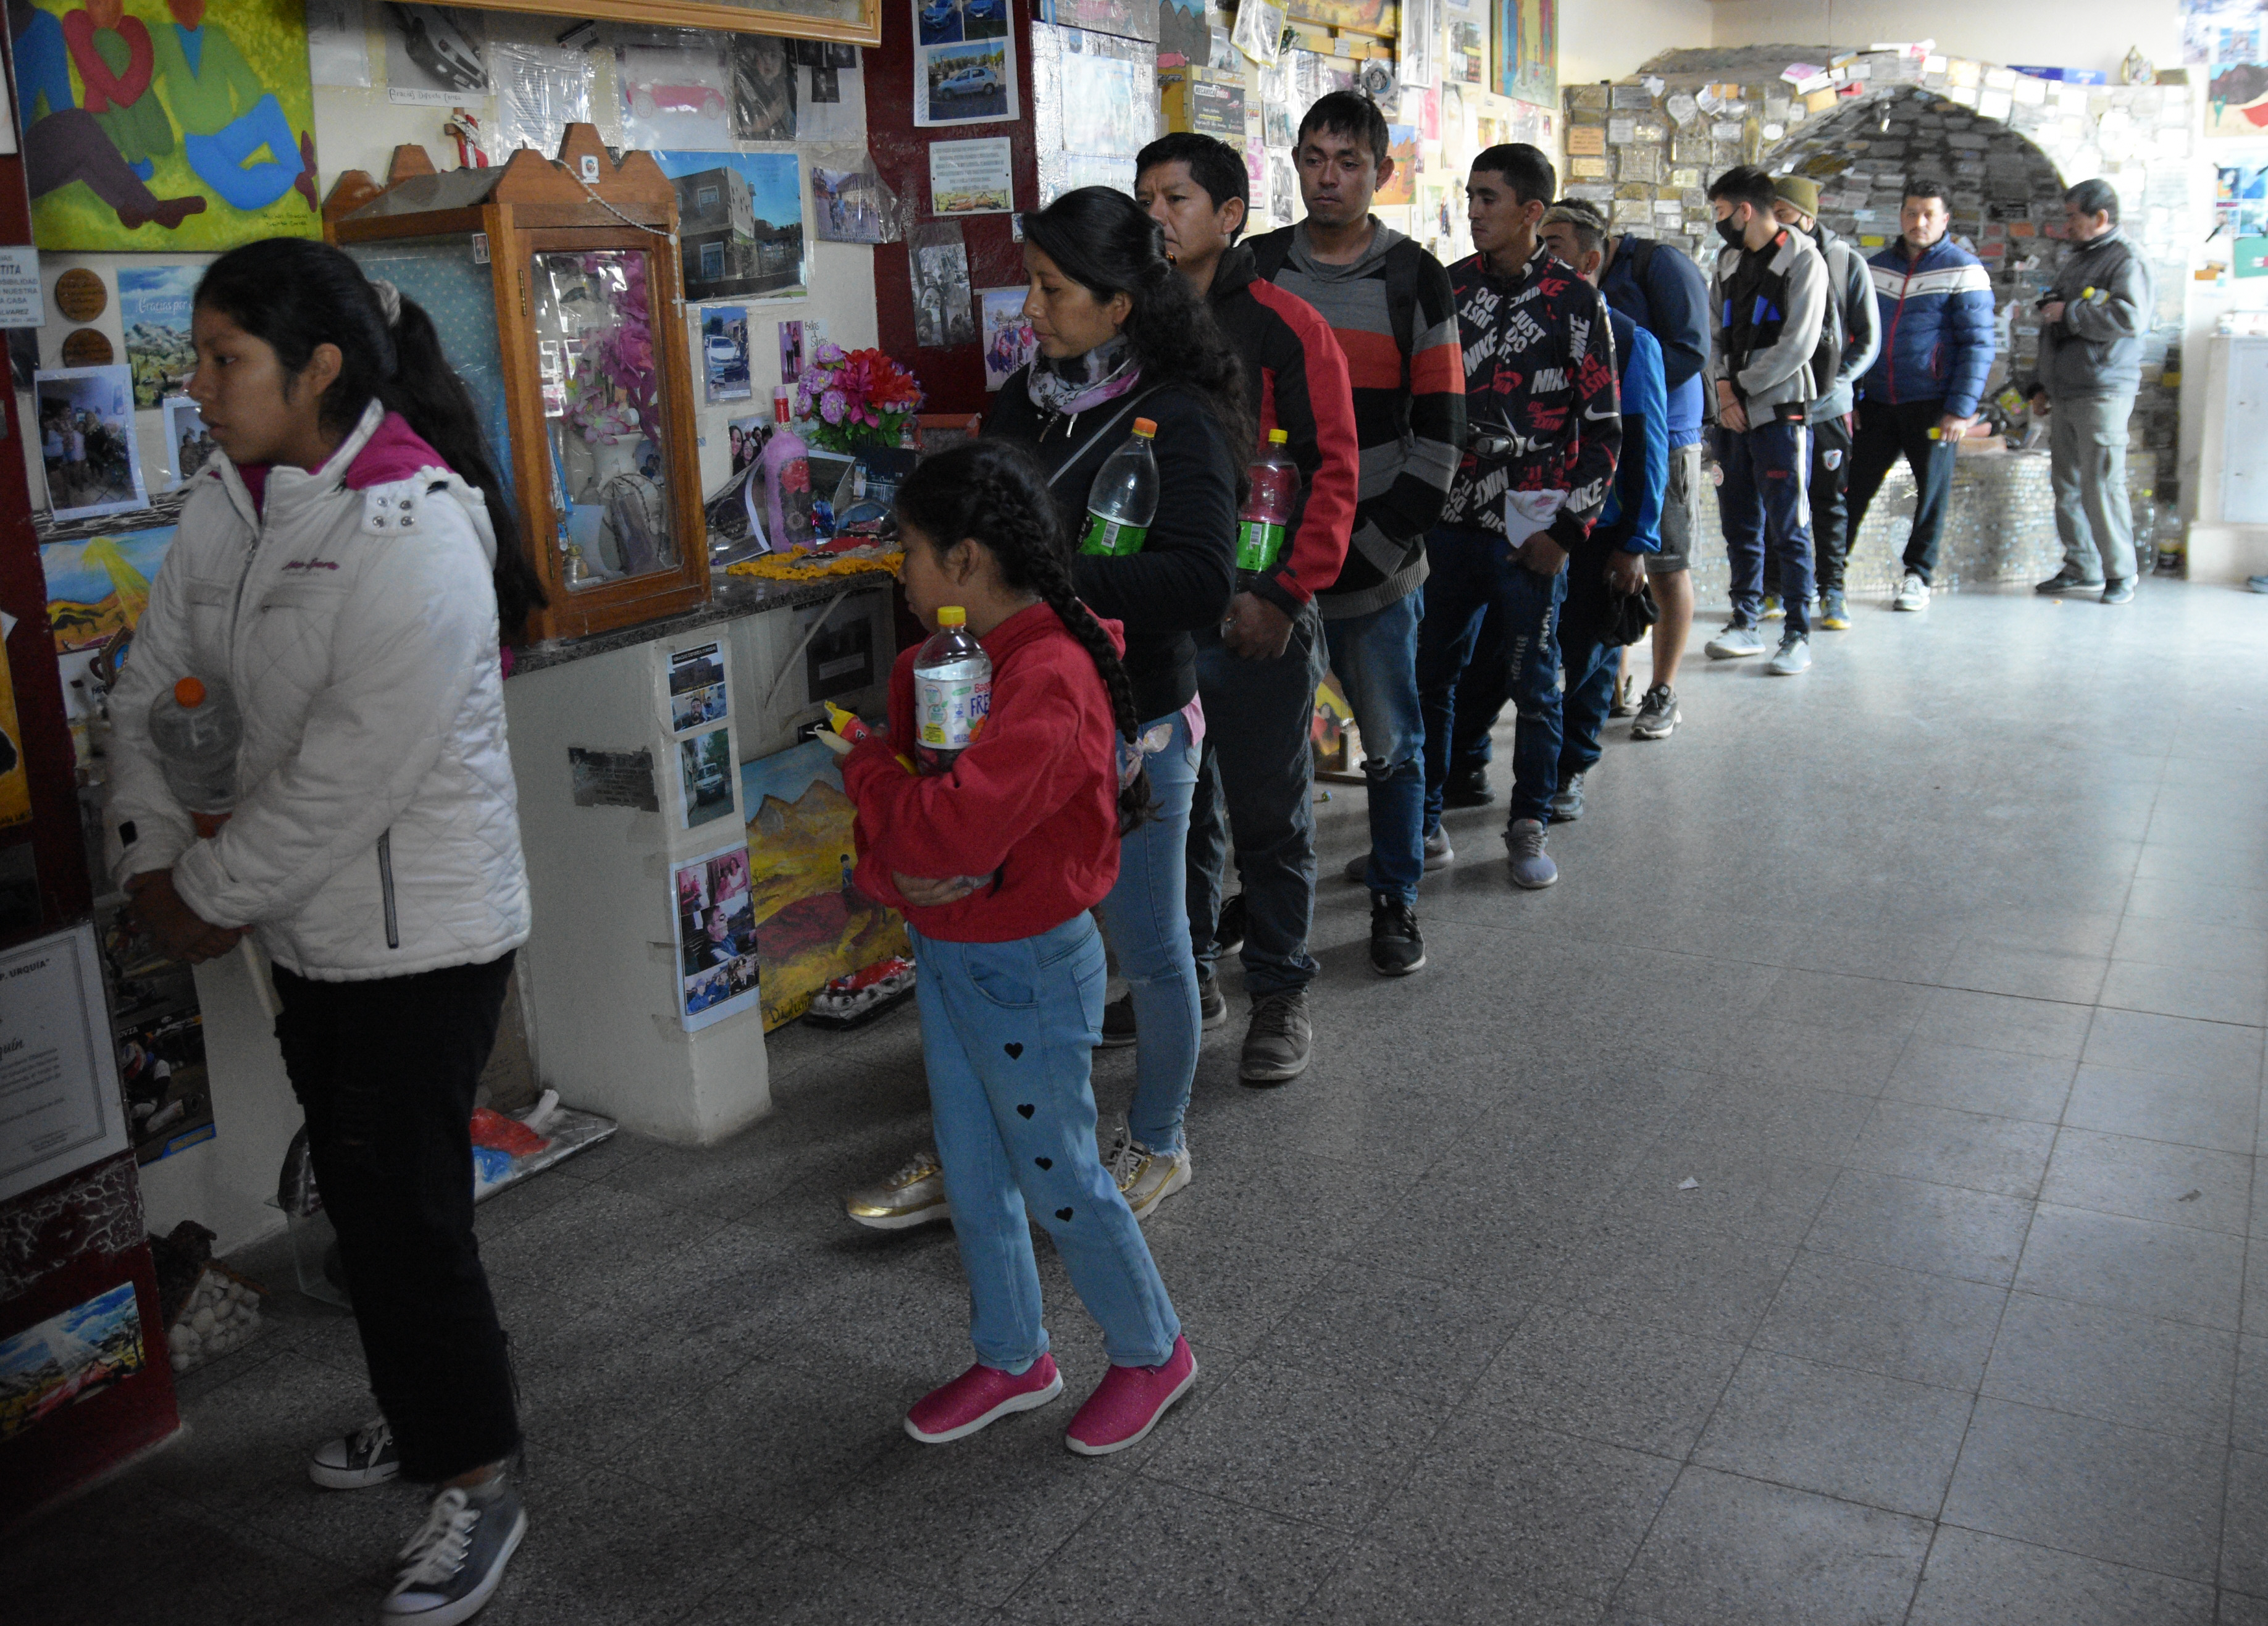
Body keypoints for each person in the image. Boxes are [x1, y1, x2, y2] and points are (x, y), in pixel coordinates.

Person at [102, 237, 548, 1625]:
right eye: (199, 356)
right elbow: (153, 690)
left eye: (225, 358)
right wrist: (151, 853)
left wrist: (198, 897)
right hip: (299, 927)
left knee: (407, 1218)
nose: (198, 384)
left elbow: (350, 776)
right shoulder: (224, 504)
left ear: (320, 369)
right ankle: (428, 1417)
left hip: (424, 940)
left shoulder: (413, 528)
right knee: (360, 1202)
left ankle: (476, 1477)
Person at [843, 186, 1241, 1231]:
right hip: (1008, 717)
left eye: (1051, 288)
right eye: (1030, 282)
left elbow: (1201, 580)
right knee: (985, 932)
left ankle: (1157, 1139)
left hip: (1133, 724)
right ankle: (975, 1142)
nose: (1029, 306)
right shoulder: (1026, 403)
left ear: (1119, 303)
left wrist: (1040, 588)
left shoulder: (1178, 417)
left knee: (1149, 947)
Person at [840, 438, 1197, 1457]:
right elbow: (918, 850)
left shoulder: (1048, 676)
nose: (899, 572)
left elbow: (944, 833)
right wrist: (907, 847)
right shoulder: (952, 662)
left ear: (964, 560)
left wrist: (867, 766)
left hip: (1024, 967)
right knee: (973, 1167)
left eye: (908, 551)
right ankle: (1012, 1354)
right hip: (955, 950)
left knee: (1058, 1173)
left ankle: (1153, 1350)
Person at [1134, 131, 1358, 1084]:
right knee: (1174, 812)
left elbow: (1333, 471)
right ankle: (1187, 979)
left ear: (1229, 216)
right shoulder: (1130, 322)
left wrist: (1282, 593)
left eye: (1175, 198)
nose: (1155, 215)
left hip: (1258, 610)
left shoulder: (1284, 324)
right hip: (1162, 615)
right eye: (1145, 198)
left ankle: (1279, 989)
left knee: (1270, 817)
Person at [1247, 91, 1464, 970]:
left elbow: (1442, 435)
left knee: (1391, 743)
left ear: (1382, 171)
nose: (1327, 178)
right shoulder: (1259, 266)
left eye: (1347, 162)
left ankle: (1395, 894)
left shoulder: (1413, 276)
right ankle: (1264, 909)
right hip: (1270, 564)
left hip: (1376, 562)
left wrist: (1370, 547)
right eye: (1312, 159)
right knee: (1266, 750)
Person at [1417, 144, 1618, 892]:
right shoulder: (1448, 288)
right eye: (1469, 196)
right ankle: (1422, 822)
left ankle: (1527, 821)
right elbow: (1419, 403)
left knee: (1535, 685)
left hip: (1530, 528)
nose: (1472, 211)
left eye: (1488, 199)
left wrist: (1566, 533)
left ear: (1531, 212)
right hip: (1446, 520)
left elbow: (1605, 431)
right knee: (1430, 679)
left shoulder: (1575, 301)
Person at [1536, 200, 1665, 823]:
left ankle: (1569, 769)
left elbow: (1645, 449)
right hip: (1529, 517)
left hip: (1600, 525)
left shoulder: (1630, 340)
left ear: (1589, 260)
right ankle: (1472, 765)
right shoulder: (1528, 326)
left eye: (1554, 245)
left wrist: (1635, 542)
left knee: (1588, 656)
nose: (1541, 257)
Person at [1702, 164, 1830, 677]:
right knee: (1739, 522)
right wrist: (1721, 390)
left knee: (1789, 525)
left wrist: (1739, 387)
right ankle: (1744, 621)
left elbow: (1798, 343)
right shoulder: (1727, 261)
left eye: (1720, 211)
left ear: (1744, 210)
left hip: (1779, 411)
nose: (1718, 222)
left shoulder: (1804, 259)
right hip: (1729, 412)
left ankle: (1797, 632)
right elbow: (1711, 333)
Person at [1846, 177, 1994, 613]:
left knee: (1930, 494)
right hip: (1875, 403)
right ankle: (1828, 572)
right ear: (1901, 216)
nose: (1919, 222)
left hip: (1933, 405)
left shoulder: (1964, 269)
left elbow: (1978, 344)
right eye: (1912, 213)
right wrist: (1850, 396)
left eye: (1929, 214)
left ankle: (1918, 576)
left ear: (1944, 219)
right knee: (1851, 490)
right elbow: (1854, 336)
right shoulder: (1874, 268)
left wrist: (1960, 409)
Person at [1593, 201, 1711, 742]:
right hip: (1610, 434)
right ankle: (1613, 684)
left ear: (1595, 245)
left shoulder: (1660, 265)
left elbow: (1690, 351)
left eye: (1558, 244)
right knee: (1610, 558)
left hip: (1667, 435)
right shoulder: (1579, 283)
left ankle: (1663, 690)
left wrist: (1622, 384)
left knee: (1665, 565)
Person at [2028, 178, 2155, 605]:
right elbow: (2053, 325)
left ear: (2100, 217)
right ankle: (2081, 566)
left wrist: (2071, 312)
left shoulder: (2127, 260)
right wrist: (2040, 384)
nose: (2066, 225)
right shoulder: (2079, 260)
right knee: (2066, 484)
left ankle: (2120, 572)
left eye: (2072, 217)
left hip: (2102, 390)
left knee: (2101, 483)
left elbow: (2130, 318)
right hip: (2066, 389)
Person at [1765, 174, 1881, 632]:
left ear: (1808, 218)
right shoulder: (1762, 261)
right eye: (1771, 214)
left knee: (1829, 502)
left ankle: (1832, 590)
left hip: (1827, 409)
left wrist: (1835, 382)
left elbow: (1867, 339)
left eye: (1784, 214)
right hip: (1777, 407)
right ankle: (1773, 587)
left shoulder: (1844, 261)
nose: (1776, 224)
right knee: (1776, 498)